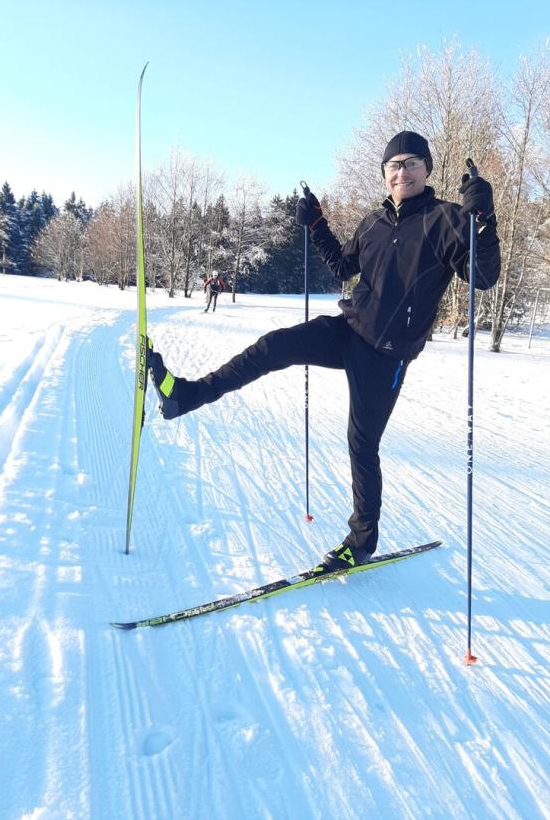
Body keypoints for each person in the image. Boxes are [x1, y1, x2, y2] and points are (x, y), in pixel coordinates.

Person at [147, 132, 500, 571]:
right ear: (385, 174)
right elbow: (342, 265)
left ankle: (362, 541)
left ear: (427, 169)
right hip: (348, 330)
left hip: (387, 354)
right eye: (394, 164)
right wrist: (316, 224)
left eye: (412, 163)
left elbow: (483, 276)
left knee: (361, 442)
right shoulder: (373, 222)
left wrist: (483, 222)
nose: (402, 171)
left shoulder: (447, 219)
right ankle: (186, 395)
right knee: (272, 346)